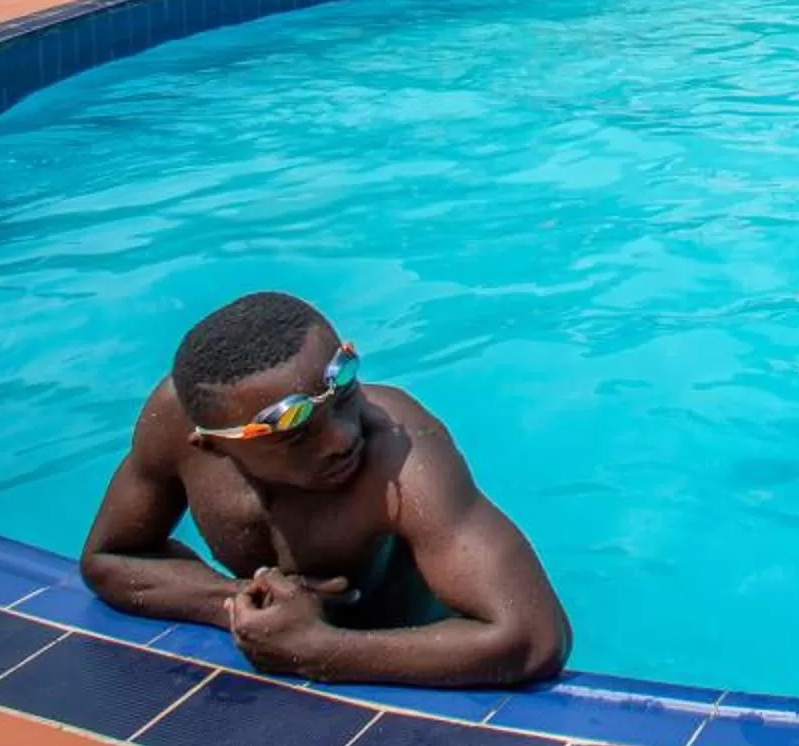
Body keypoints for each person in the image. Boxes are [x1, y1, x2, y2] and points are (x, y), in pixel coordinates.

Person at [80, 292, 570, 687]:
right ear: (212, 447)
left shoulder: (402, 458)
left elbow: (535, 636)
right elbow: (109, 560)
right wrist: (238, 604)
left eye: (344, 394)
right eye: (295, 434)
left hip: (423, 661)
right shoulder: (172, 425)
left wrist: (320, 650)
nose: (342, 437)